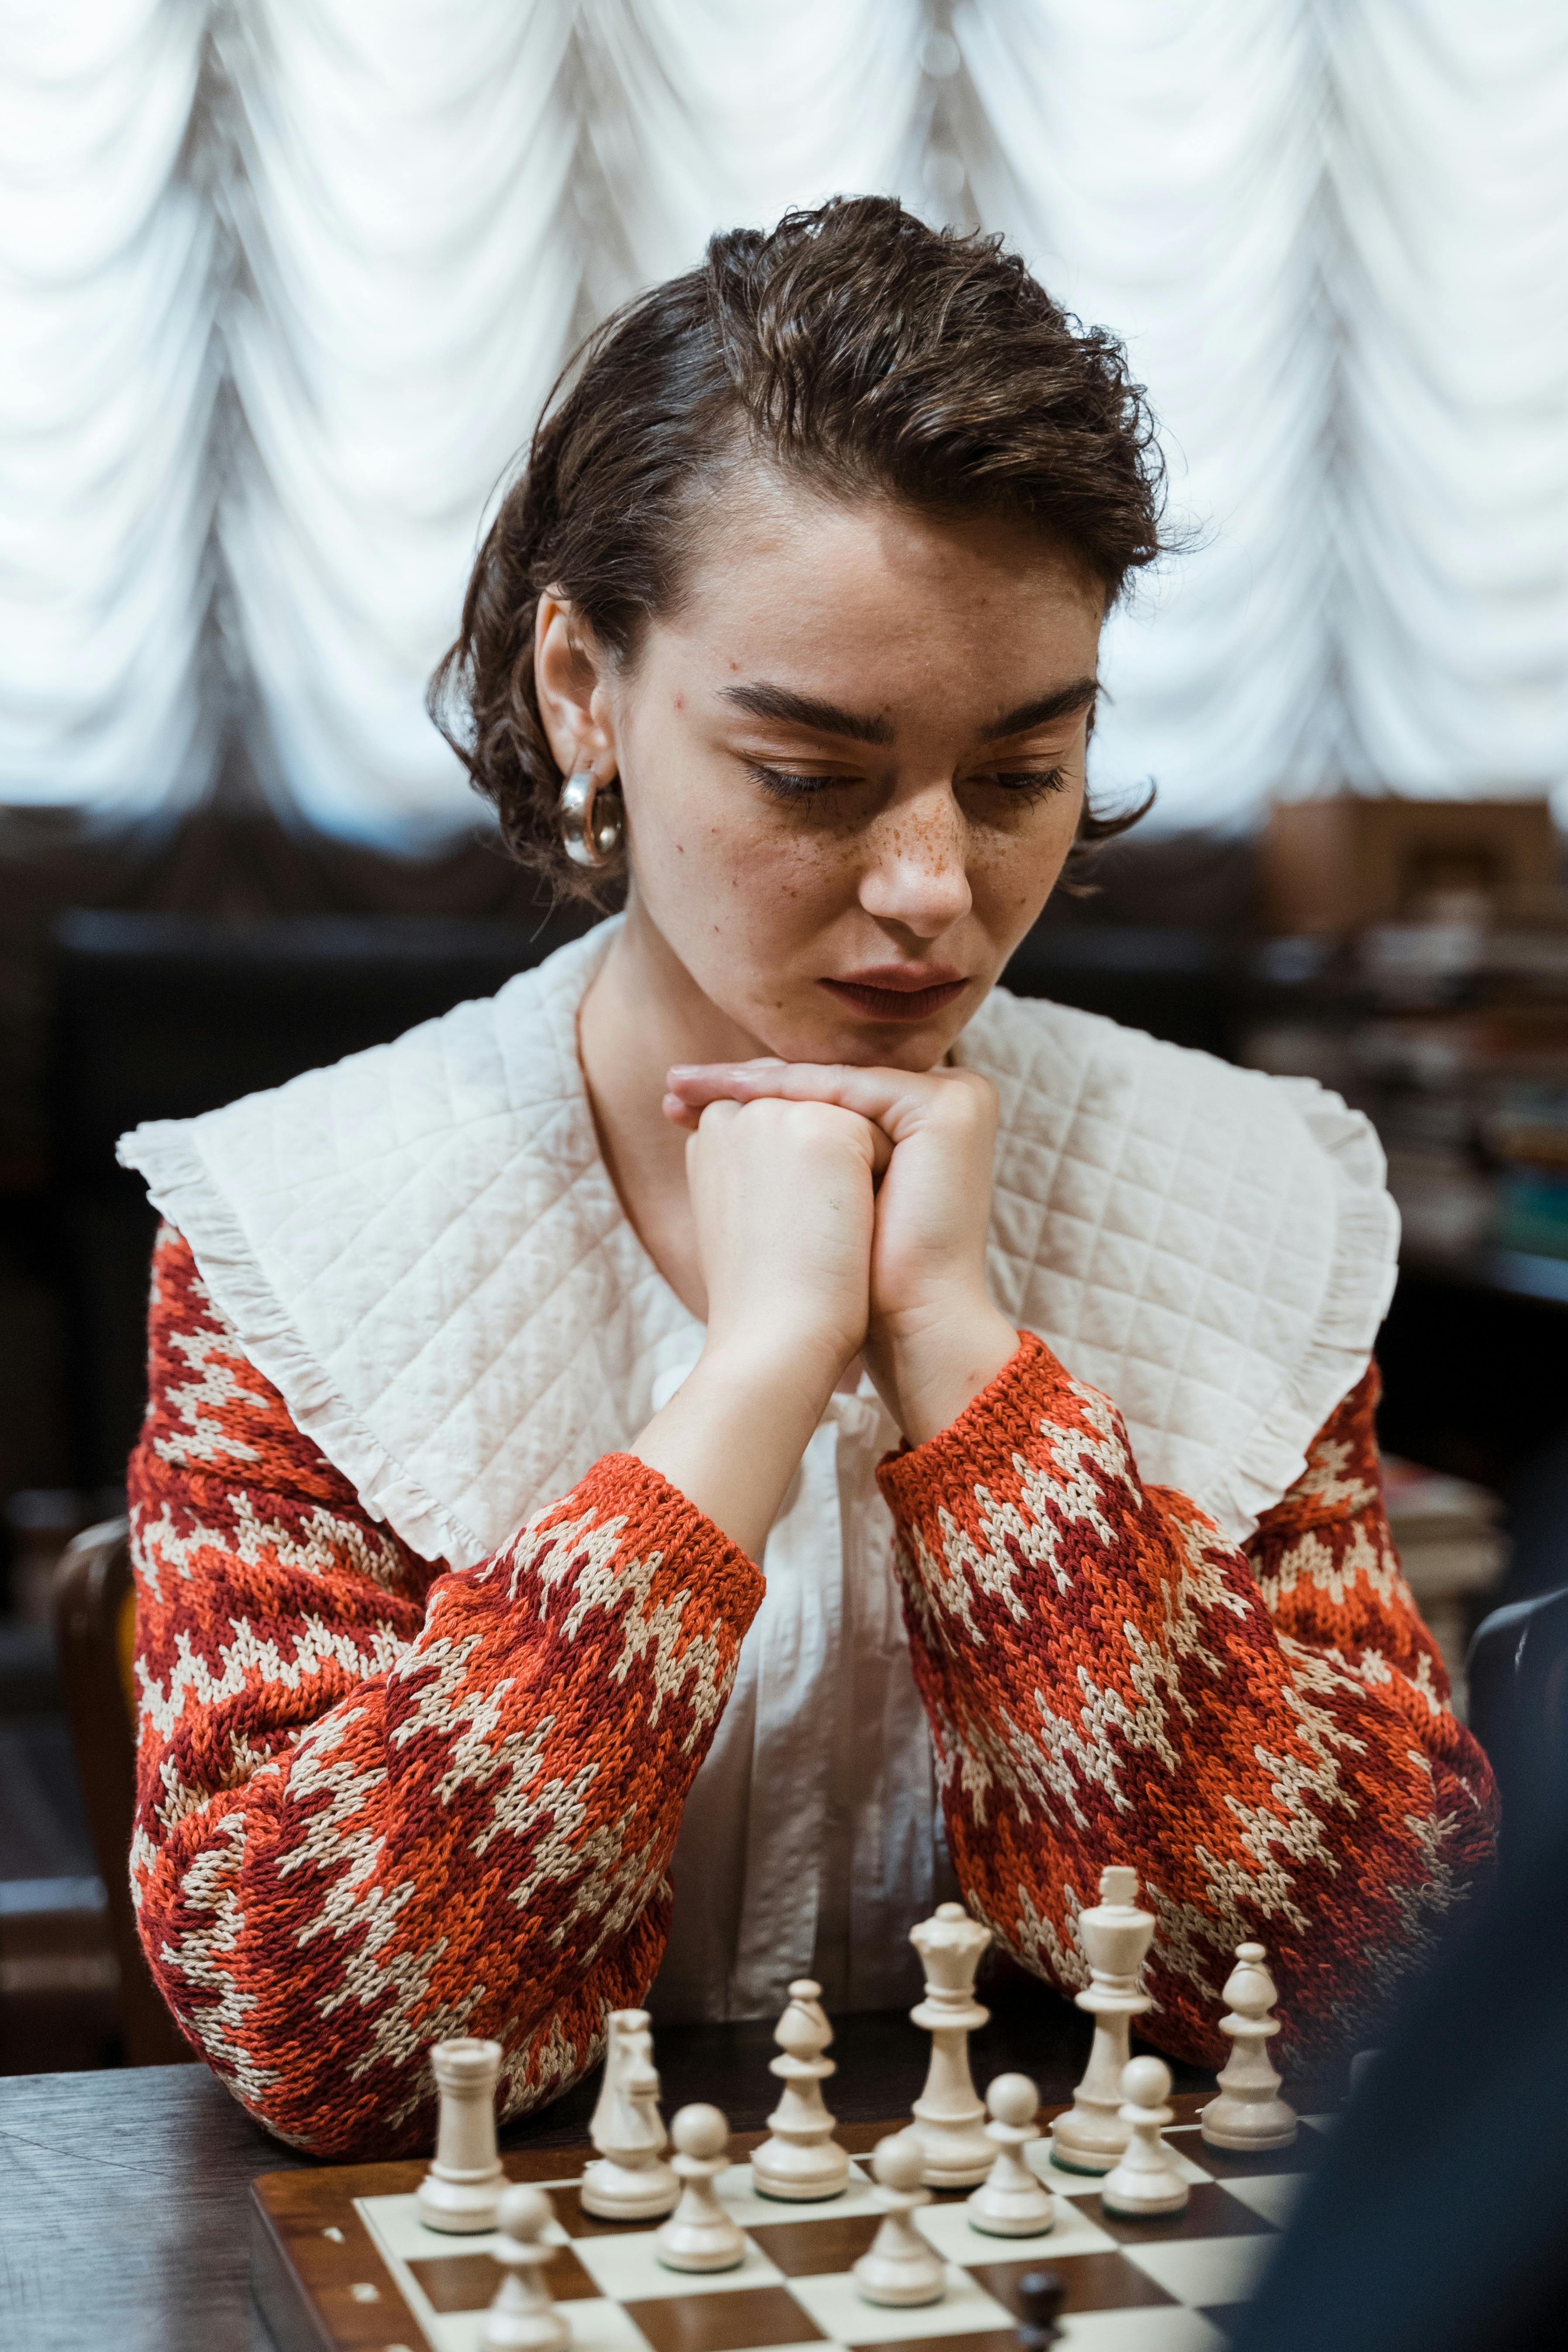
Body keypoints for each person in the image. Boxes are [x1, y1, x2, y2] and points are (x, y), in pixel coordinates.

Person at [118, 197, 1494, 2158]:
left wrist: (969, 1375)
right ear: (585, 688)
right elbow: (322, 2038)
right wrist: (749, 1389)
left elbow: (1392, 1965)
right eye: (808, 775)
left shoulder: (1242, 1192)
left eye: (1019, 775)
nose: (934, 890)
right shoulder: (296, 1230)